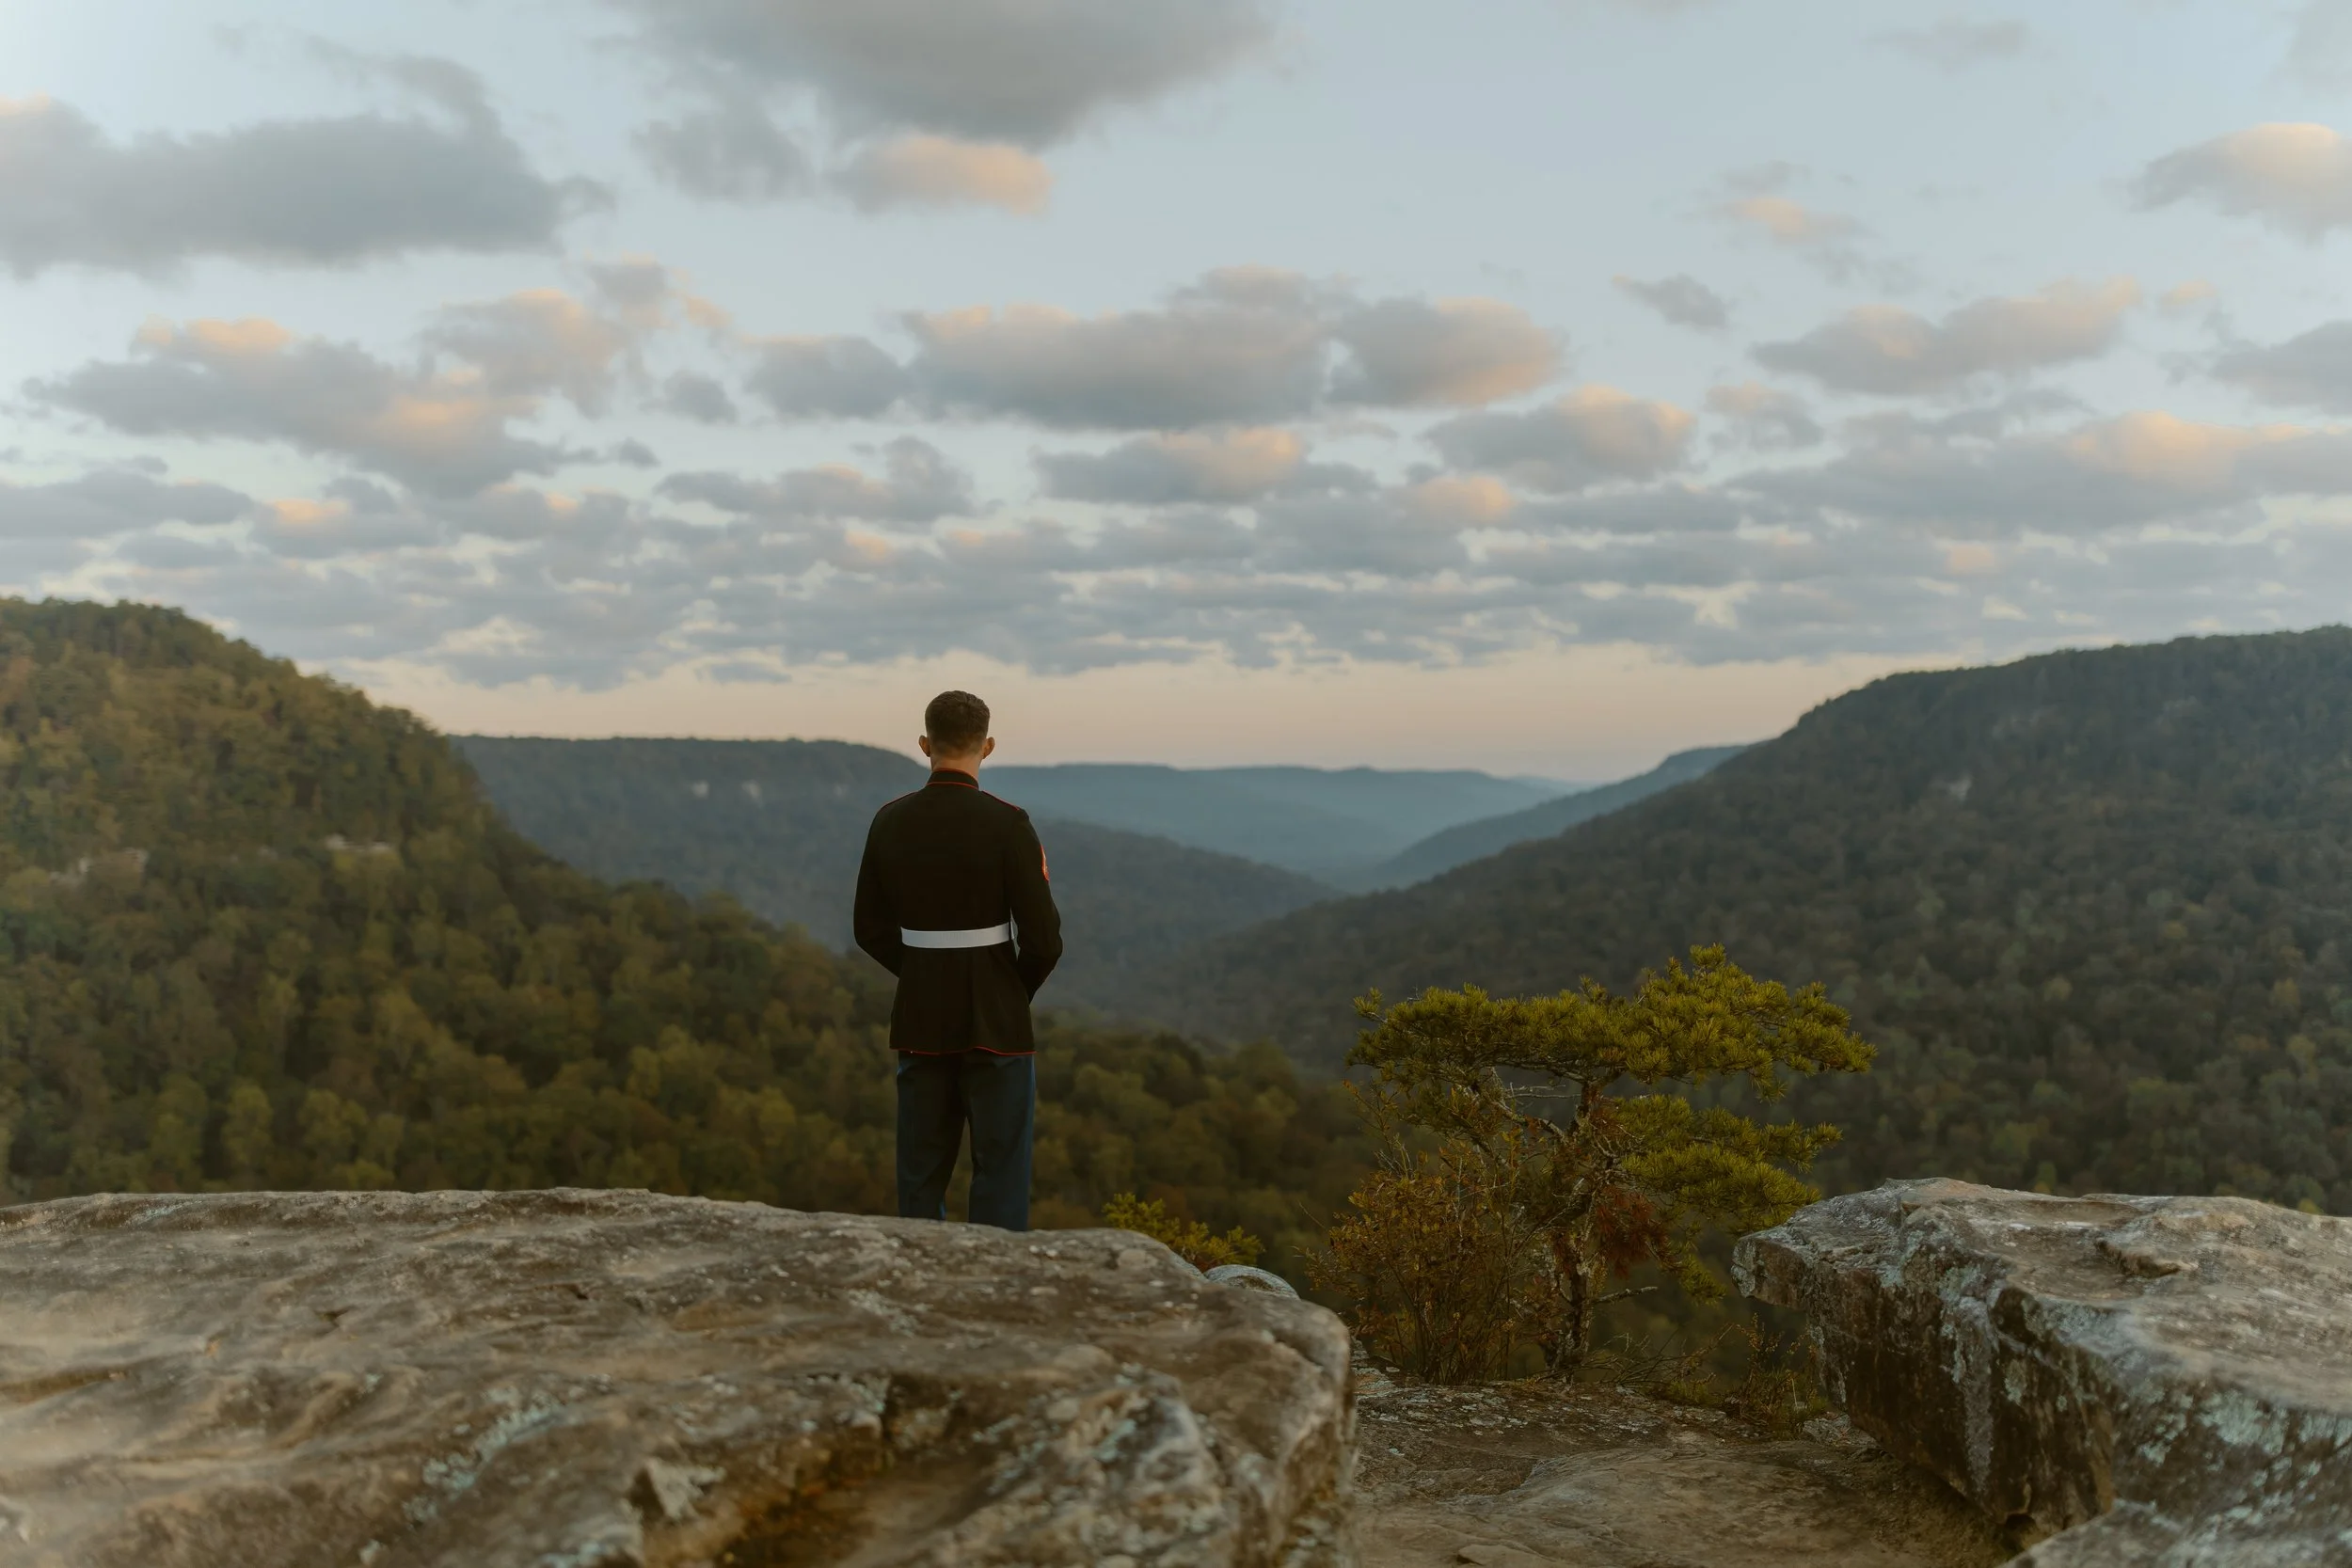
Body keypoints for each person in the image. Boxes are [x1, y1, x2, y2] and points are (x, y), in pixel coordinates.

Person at [853, 690, 1062, 1231]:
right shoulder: (1009, 823)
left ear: (924, 744)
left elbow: (868, 930)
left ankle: (916, 1277)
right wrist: (1010, 989)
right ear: (987, 746)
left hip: (921, 1014)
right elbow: (1043, 939)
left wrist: (923, 970)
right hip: (998, 1017)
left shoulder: (888, 821)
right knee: (1000, 1170)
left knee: (920, 1172)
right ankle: (997, 1285)